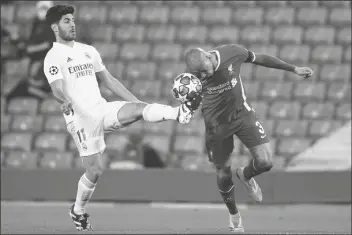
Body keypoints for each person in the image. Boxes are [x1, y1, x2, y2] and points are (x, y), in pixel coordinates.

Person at [43, 5, 201, 231]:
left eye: (72, 19)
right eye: (67, 21)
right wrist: (64, 100)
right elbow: (56, 88)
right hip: (80, 120)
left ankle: (180, 112)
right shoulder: (53, 57)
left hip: (101, 109)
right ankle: (78, 211)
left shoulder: (89, 51)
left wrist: (138, 104)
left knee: (138, 110)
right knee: (95, 170)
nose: (72, 24)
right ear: (55, 27)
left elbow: (109, 81)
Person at [184, 45, 313, 232]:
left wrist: (293, 68)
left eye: (204, 70)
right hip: (217, 128)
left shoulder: (232, 53)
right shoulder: (191, 76)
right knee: (223, 173)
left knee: (266, 162)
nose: (203, 76)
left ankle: (245, 175)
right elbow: (189, 99)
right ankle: (234, 215)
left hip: (242, 116)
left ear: (208, 55)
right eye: (199, 74)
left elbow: (260, 58)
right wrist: (188, 105)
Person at [7, 1, 55, 101]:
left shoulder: (53, 26)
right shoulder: (34, 24)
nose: (42, 12)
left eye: (45, 9)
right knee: (13, 94)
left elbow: (48, 44)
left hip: (44, 64)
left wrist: (31, 49)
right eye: (41, 9)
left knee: (28, 86)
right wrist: (17, 40)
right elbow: (28, 44)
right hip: (35, 62)